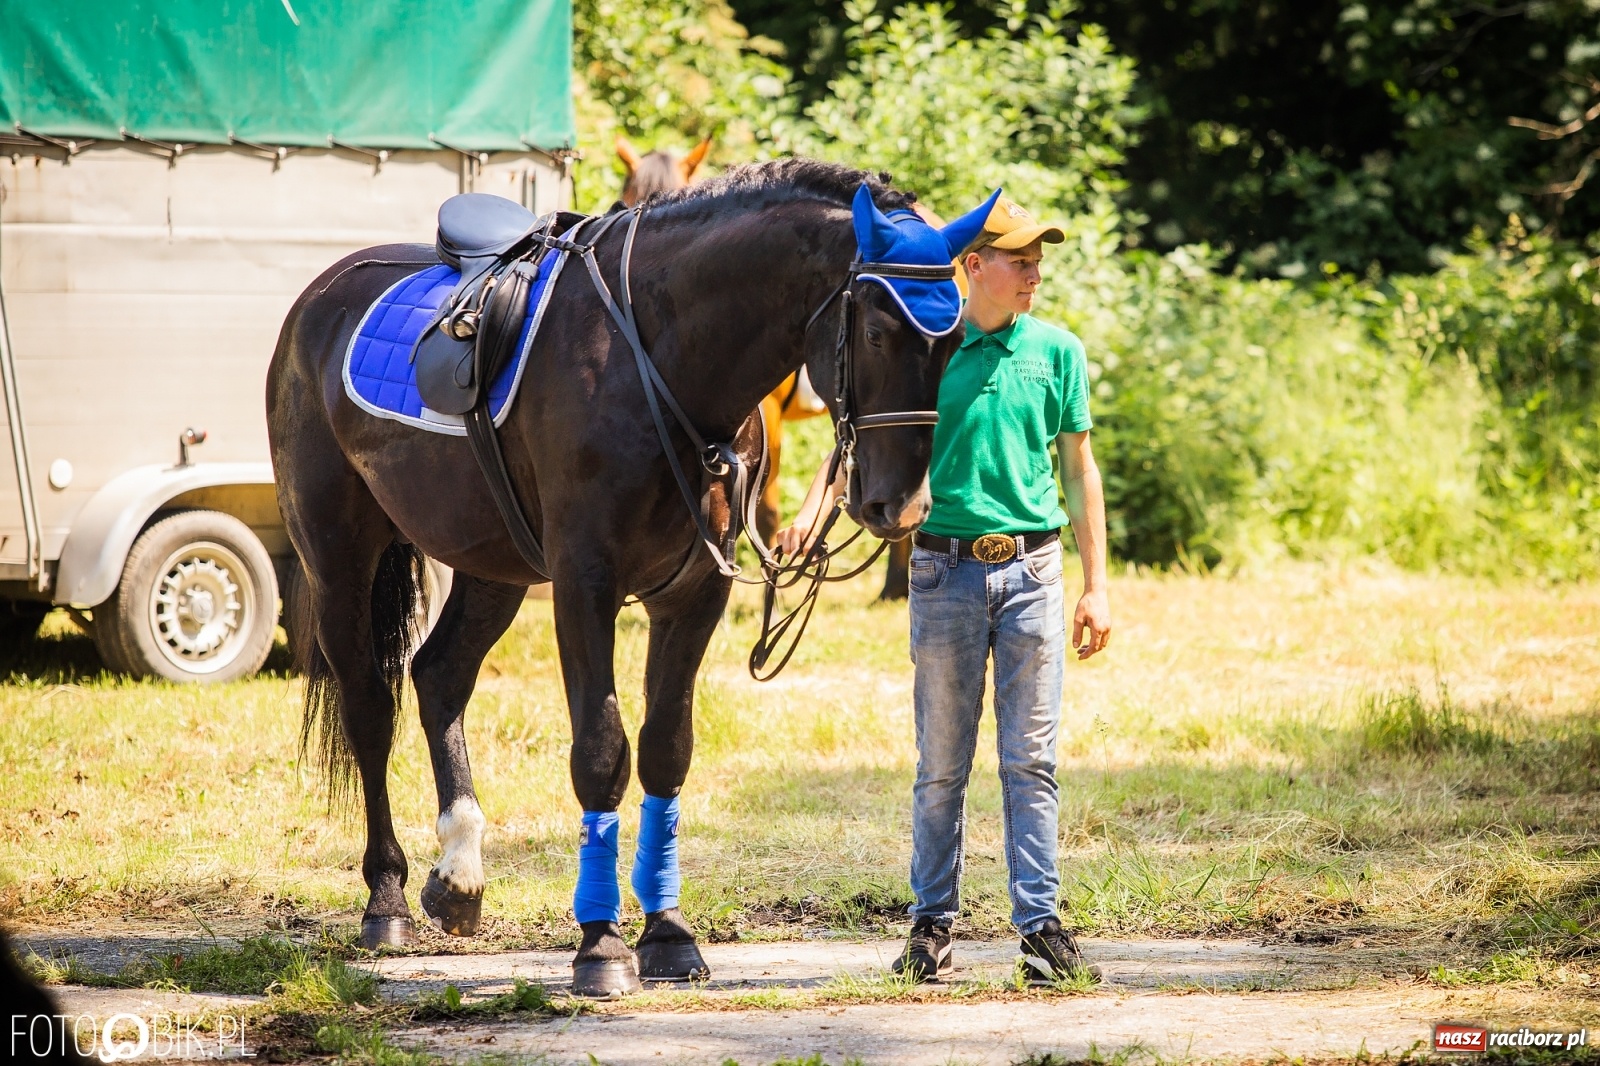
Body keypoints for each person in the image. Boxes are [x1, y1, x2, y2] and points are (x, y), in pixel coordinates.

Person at [776, 193, 1112, 984]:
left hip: (1032, 572)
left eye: (1038, 261)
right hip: (943, 571)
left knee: (1031, 762)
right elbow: (861, 434)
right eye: (1019, 259)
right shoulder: (929, 345)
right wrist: (808, 511)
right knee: (942, 766)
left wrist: (1097, 585)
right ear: (973, 267)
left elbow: (1079, 468)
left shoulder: (1058, 352)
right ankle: (932, 927)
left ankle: (1040, 927)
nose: (1034, 273)